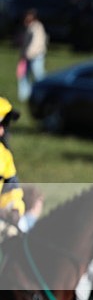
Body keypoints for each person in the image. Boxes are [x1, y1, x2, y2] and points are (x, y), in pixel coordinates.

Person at [0, 97, 25, 230]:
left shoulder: (4, 155)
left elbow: (11, 188)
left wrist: (14, 208)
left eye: (3, 125)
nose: (2, 131)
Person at [17, 9, 48, 103]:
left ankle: (44, 94)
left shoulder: (37, 27)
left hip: (35, 55)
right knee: (23, 75)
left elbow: (37, 43)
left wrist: (27, 54)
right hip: (28, 56)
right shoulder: (30, 27)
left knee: (39, 75)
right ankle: (24, 96)